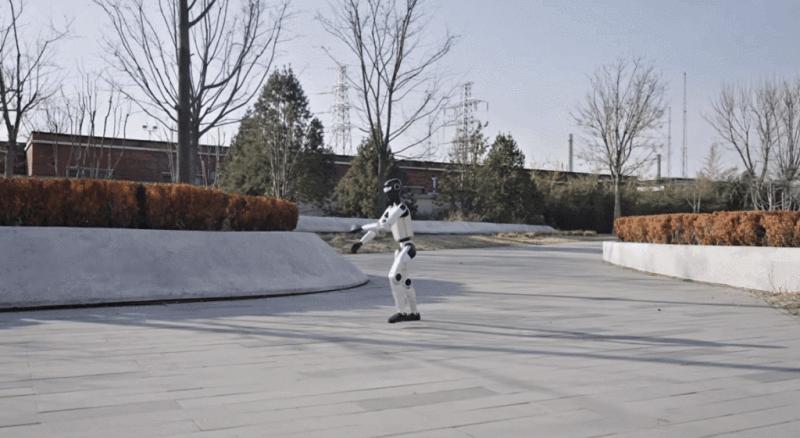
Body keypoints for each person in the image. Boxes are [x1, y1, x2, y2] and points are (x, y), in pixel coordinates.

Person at [350, 178, 420, 323]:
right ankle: (414, 313)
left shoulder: (401, 208)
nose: (388, 195)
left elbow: (385, 225)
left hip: (408, 247)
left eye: (390, 192)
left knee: (393, 277)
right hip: (400, 249)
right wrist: (361, 242)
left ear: (396, 190)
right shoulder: (390, 209)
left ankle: (401, 312)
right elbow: (377, 226)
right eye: (387, 192)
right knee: (405, 281)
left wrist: (361, 228)